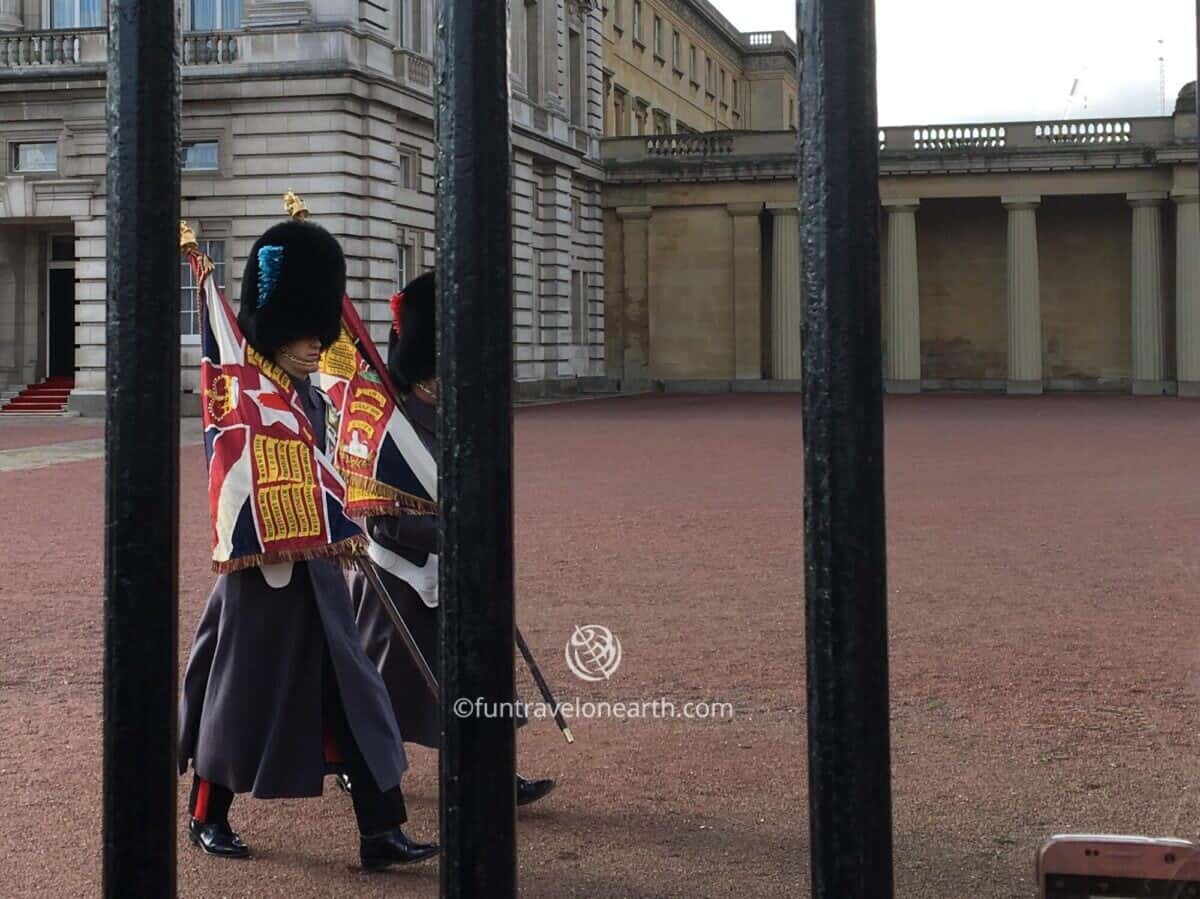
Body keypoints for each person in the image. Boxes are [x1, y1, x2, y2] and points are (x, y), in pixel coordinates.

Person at [177, 219, 439, 870]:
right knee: (241, 695)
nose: (313, 348)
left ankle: (381, 828)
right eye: (301, 336)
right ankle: (207, 811)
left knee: (357, 694)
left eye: (317, 335)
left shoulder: (305, 392)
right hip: (262, 570)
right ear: (276, 327)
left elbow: (324, 463)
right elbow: (238, 468)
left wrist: (340, 524)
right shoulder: (247, 389)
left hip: (319, 566)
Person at [344, 271, 556, 807]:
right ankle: (358, 765)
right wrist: (455, 534)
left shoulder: (458, 412)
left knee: (480, 676)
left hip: (454, 570)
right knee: (383, 693)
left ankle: (493, 773)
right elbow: (382, 518)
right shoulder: (390, 424)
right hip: (402, 577)